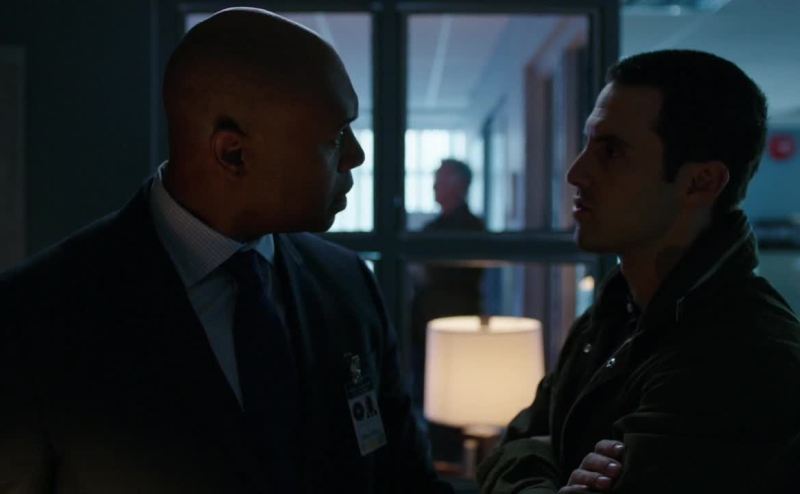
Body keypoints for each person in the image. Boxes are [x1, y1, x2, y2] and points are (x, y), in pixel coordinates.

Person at [0, 8, 452, 494]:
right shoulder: (33, 320)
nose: (356, 156)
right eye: (334, 137)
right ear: (232, 152)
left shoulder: (348, 286)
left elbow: (406, 482)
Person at [476, 49, 800, 494]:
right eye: (588, 144)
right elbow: (515, 443)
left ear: (700, 182)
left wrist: (534, 461)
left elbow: (525, 448)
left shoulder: (747, 356)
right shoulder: (613, 313)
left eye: (611, 151)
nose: (576, 173)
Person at [410, 159, 485, 405]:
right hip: (427, 325)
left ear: (459, 185)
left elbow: (450, 279)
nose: (434, 186)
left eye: (440, 179)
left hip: (453, 325)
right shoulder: (434, 227)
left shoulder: (470, 228)